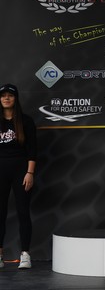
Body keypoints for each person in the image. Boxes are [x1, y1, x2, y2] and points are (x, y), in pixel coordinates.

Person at [0, 84, 36, 269]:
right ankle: (0, 255)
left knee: (23, 212)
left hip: (21, 171)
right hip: (1, 171)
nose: (6, 98)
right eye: (3, 95)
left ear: (16, 98)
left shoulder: (26, 121)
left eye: (10, 95)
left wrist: (30, 173)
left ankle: (25, 254)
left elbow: (33, 150)